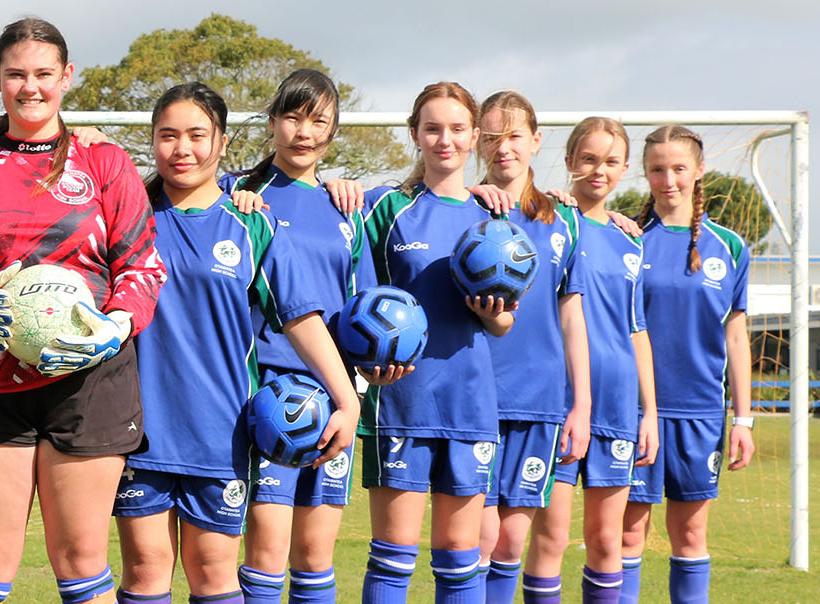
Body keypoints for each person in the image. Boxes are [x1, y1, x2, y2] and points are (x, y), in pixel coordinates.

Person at [0, 17, 166, 604]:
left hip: (90, 383)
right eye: (17, 74)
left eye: (44, 74)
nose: (31, 87)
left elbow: (142, 267)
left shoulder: (104, 162)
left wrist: (116, 323)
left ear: (66, 77)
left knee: (82, 564)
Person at [114, 81, 372, 604]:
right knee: (145, 570)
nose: (181, 148)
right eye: (167, 136)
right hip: (139, 429)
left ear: (223, 142)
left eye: (195, 135)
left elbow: (301, 317)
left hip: (221, 430)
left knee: (214, 573)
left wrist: (346, 399)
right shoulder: (128, 215)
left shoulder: (254, 225)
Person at [358, 81, 516, 603]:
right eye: (432, 128)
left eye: (455, 129)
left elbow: (504, 325)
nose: (443, 139)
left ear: (475, 137)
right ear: (415, 135)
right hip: (401, 401)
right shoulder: (384, 209)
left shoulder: (493, 217)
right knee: (393, 557)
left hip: (470, 402)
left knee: (459, 560)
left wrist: (489, 314)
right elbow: (358, 302)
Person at [220, 68, 371, 604]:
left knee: (315, 558)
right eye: (293, 117)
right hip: (271, 394)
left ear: (332, 132)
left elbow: (364, 311)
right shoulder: (237, 192)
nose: (303, 132)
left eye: (318, 121)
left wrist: (373, 369)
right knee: (265, 555)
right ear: (272, 121)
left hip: (337, 396)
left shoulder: (345, 206)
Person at [467, 92, 592, 604]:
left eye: (515, 136)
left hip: (539, 399)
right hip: (474, 397)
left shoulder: (563, 220)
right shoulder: (462, 209)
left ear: (536, 141)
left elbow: (572, 315)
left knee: (513, 539)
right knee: (475, 538)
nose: (504, 148)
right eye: (492, 137)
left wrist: (580, 404)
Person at [622, 125, 755, 604]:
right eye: (657, 169)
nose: (668, 179)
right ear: (645, 173)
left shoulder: (730, 247)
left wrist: (742, 419)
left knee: (691, 536)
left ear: (700, 171)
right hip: (635, 413)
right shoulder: (629, 241)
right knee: (627, 537)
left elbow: (736, 337)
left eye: (679, 168)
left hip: (701, 414)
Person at [538, 116, 661, 603]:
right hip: (562, 402)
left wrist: (648, 411)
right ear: (569, 162)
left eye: (610, 162)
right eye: (588, 159)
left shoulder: (630, 238)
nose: (598, 170)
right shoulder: (547, 221)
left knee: (608, 541)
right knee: (550, 540)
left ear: (625, 168)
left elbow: (637, 329)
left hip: (617, 405)